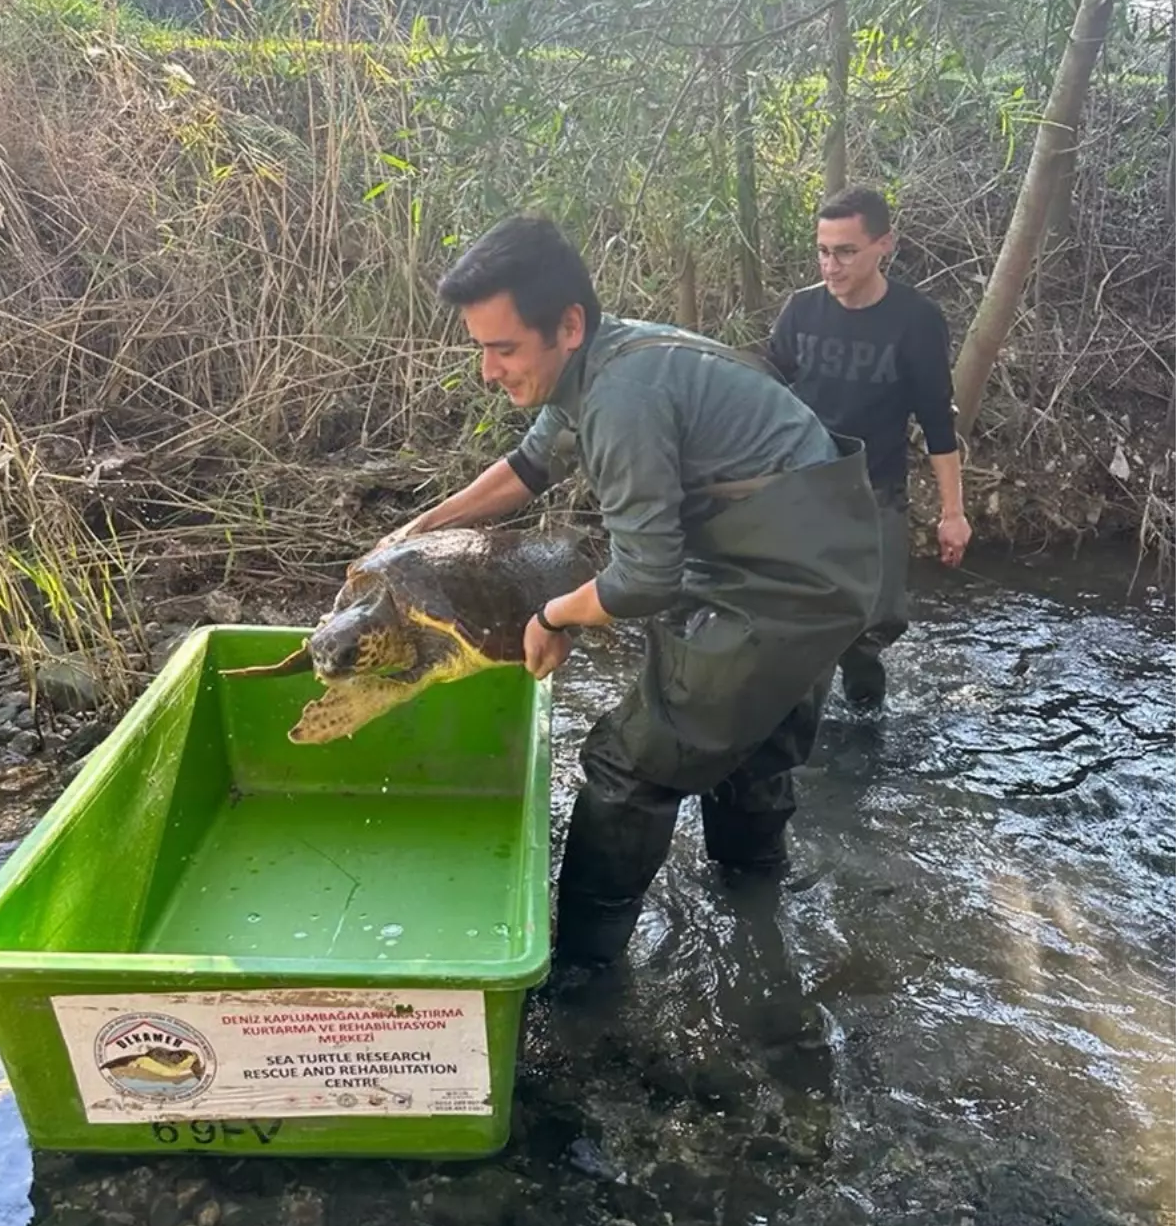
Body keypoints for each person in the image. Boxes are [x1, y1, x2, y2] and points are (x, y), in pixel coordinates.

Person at [381, 215, 881, 967]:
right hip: (822, 551)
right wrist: (418, 532)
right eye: (482, 347)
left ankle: (582, 975)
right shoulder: (603, 354)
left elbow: (646, 577)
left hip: (791, 580)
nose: (489, 371)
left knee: (629, 764)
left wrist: (553, 614)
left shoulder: (621, 400)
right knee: (746, 750)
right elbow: (528, 466)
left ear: (568, 325)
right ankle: (754, 917)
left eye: (503, 349)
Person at [765, 186, 972, 710]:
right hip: (803, 489)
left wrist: (953, 513)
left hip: (877, 492)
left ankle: (863, 732)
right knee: (800, 625)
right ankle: (796, 739)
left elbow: (936, 421)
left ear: (885, 245)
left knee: (869, 629)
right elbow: (764, 397)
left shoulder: (915, 320)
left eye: (846, 252)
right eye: (823, 251)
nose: (830, 266)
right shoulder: (800, 311)